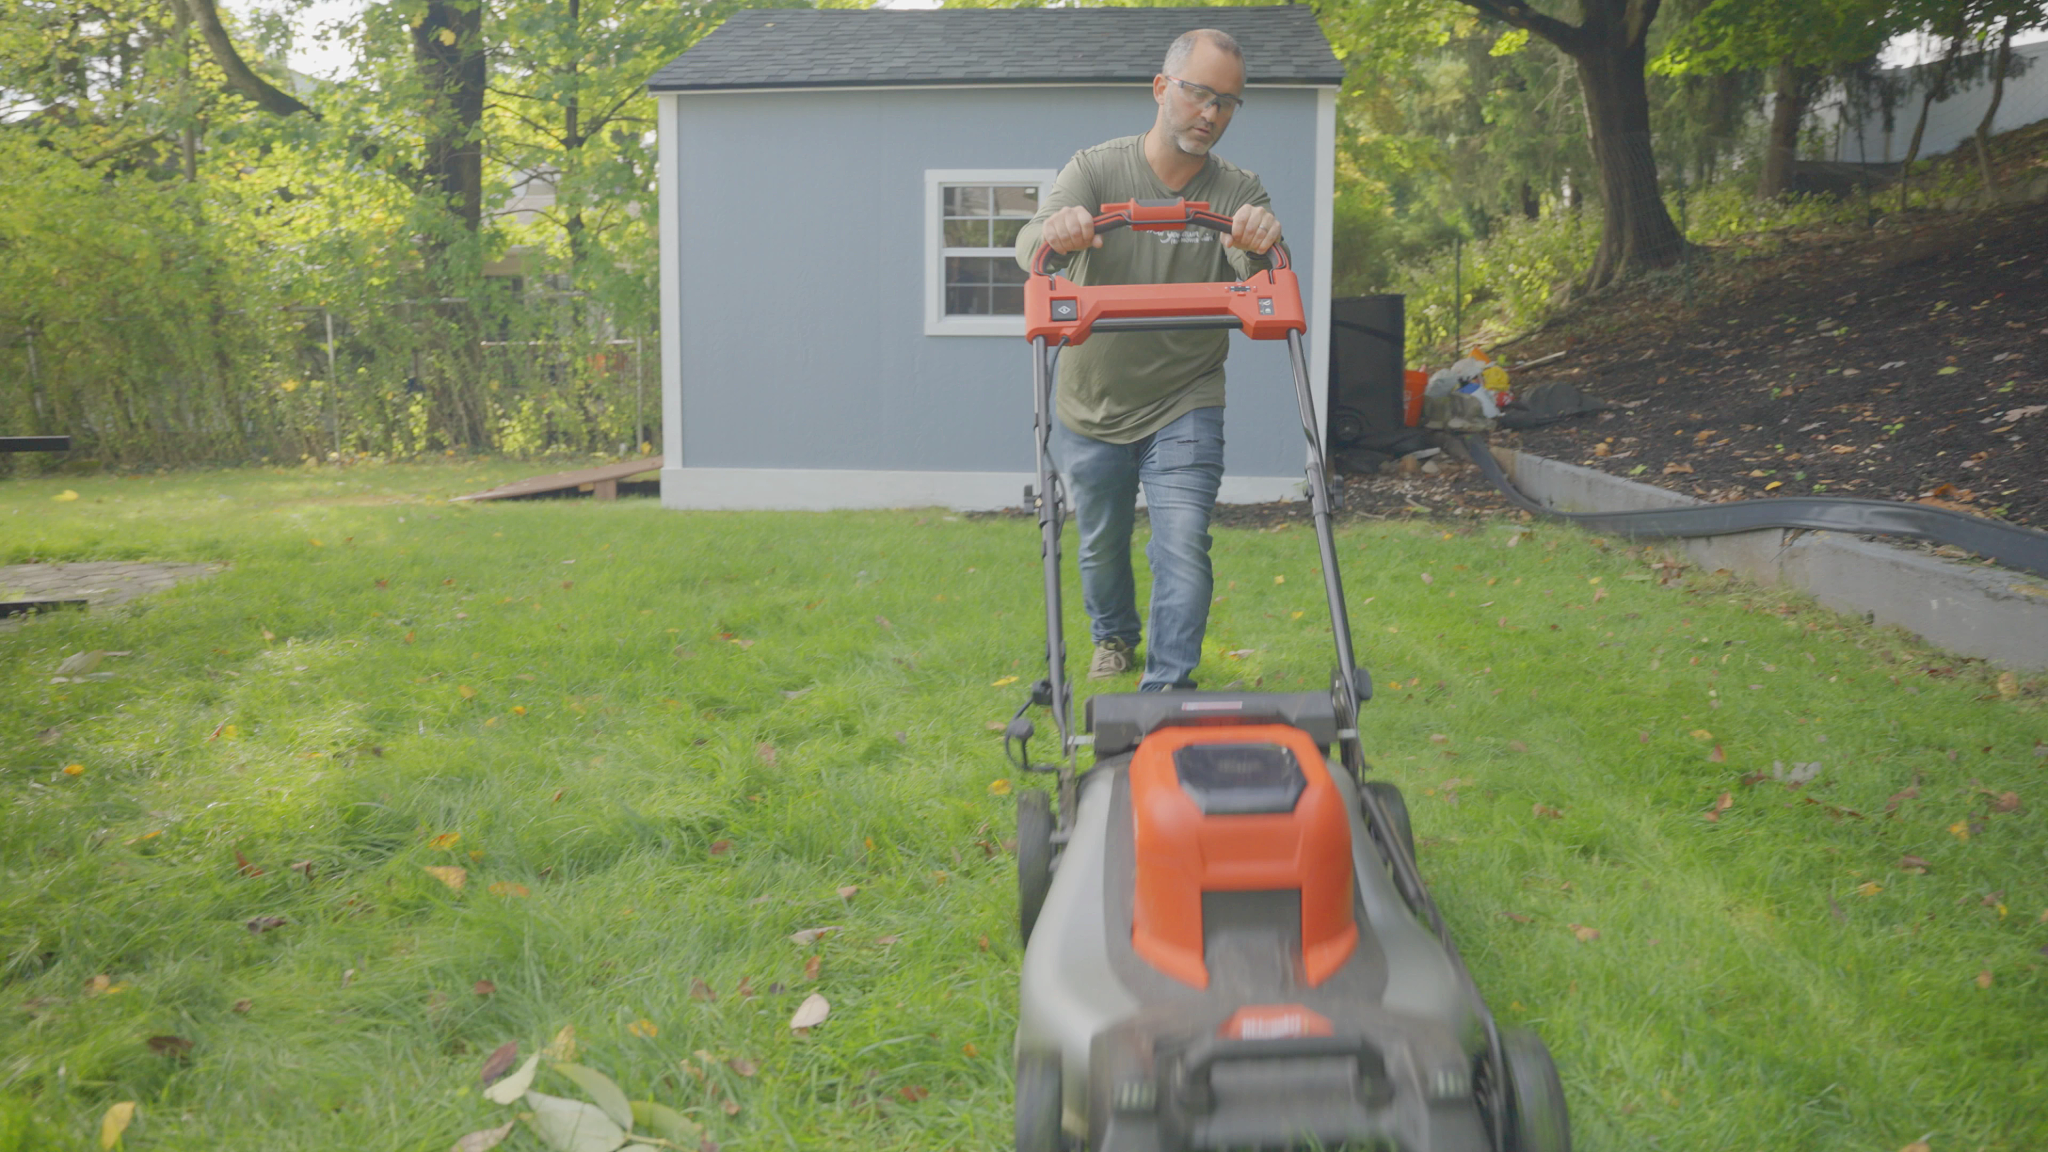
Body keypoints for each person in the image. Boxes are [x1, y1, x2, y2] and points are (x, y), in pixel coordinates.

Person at [1013, 28, 1284, 692]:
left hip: (1185, 396)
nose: (1211, 115)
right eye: (1199, 94)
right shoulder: (1097, 170)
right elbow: (1028, 247)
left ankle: (1167, 692)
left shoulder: (1237, 190)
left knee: (1183, 541)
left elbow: (1257, 263)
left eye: (1227, 102)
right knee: (1101, 546)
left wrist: (1256, 241)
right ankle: (1114, 634)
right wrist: (1056, 231)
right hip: (1090, 403)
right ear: (1162, 88)